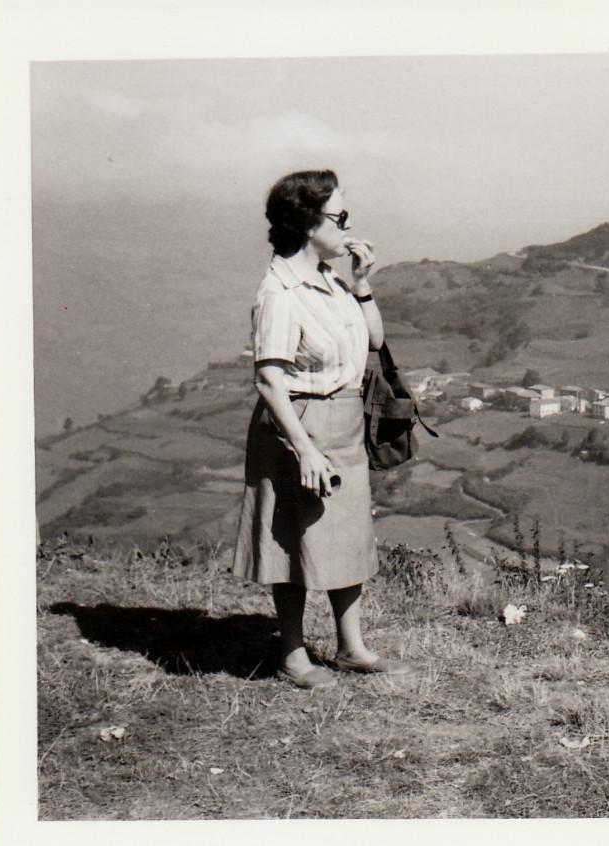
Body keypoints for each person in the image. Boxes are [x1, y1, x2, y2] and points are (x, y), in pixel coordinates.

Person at [232, 169, 409, 688]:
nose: (348, 225)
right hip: (300, 423)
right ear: (309, 223)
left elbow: (374, 340)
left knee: (347, 534)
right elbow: (269, 379)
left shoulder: (331, 281)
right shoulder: (280, 291)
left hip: (345, 420)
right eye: (340, 215)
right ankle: (292, 656)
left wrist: (362, 283)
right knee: (295, 537)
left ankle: (352, 648)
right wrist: (305, 450)